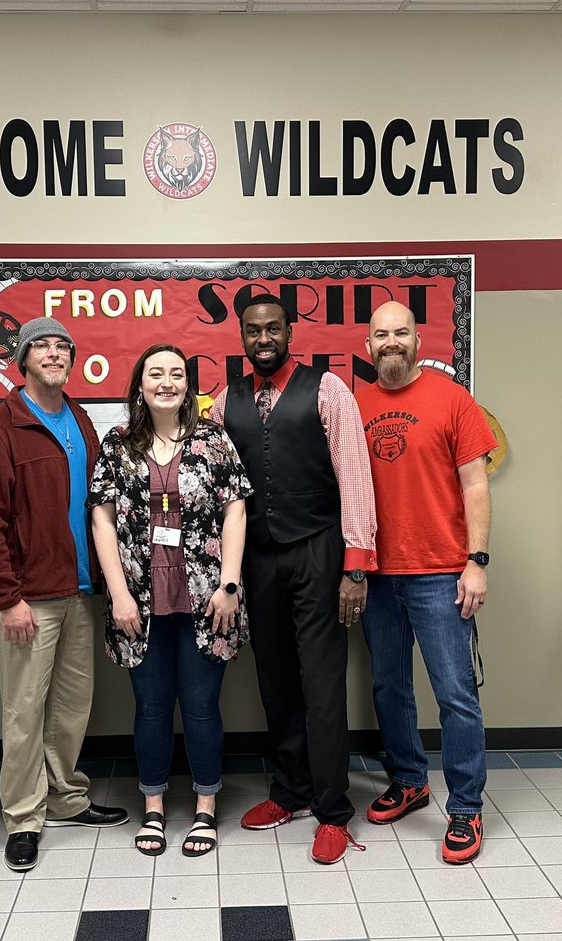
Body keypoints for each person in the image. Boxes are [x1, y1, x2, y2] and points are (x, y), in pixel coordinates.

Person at [210, 295, 379, 865]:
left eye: (273, 328)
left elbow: (355, 479)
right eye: (253, 330)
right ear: (241, 335)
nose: (263, 338)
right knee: (275, 676)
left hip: (318, 549)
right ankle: (291, 791)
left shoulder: (328, 391)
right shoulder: (224, 401)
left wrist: (355, 566)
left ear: (290, 331)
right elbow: (217, 492)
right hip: (257, 556)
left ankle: (333, 810)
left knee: (323, 680)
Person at [0, 316, 128, 872]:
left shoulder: (79, 419)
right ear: (23, 360)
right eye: (43, 347)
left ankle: (65, 799)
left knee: (70, 709)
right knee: (22, 711)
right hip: (26, 599)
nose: (55, 354)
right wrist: (6, 599)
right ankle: (24, 817)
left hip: (79, 592)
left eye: (63, 347)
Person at [88, 344, 251, 858]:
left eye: (176, 374)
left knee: (202, 707)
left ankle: (205, 807)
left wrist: (229, 585)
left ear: (188, 385)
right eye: (155, 373)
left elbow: (236, 510)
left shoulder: (212, 439)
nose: (166, 382)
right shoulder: (117, 444)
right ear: (139, 385)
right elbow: (102, 518)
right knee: (152, 708)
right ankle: (154, 808)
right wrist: (118, 595)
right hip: (138, 601)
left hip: (207, 600)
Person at [357, 300, 497, 865]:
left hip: (442, 572)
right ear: (368, 346)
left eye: (400, 333)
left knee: (455, 695)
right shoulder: (357, 403)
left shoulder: (452, 399)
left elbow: (476, 486)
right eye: (380, 334)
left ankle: (465, 806)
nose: (391, 342)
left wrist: (477, 560)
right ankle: (410, 780)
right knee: (390, 688)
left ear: (418, 340)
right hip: (377, 576)